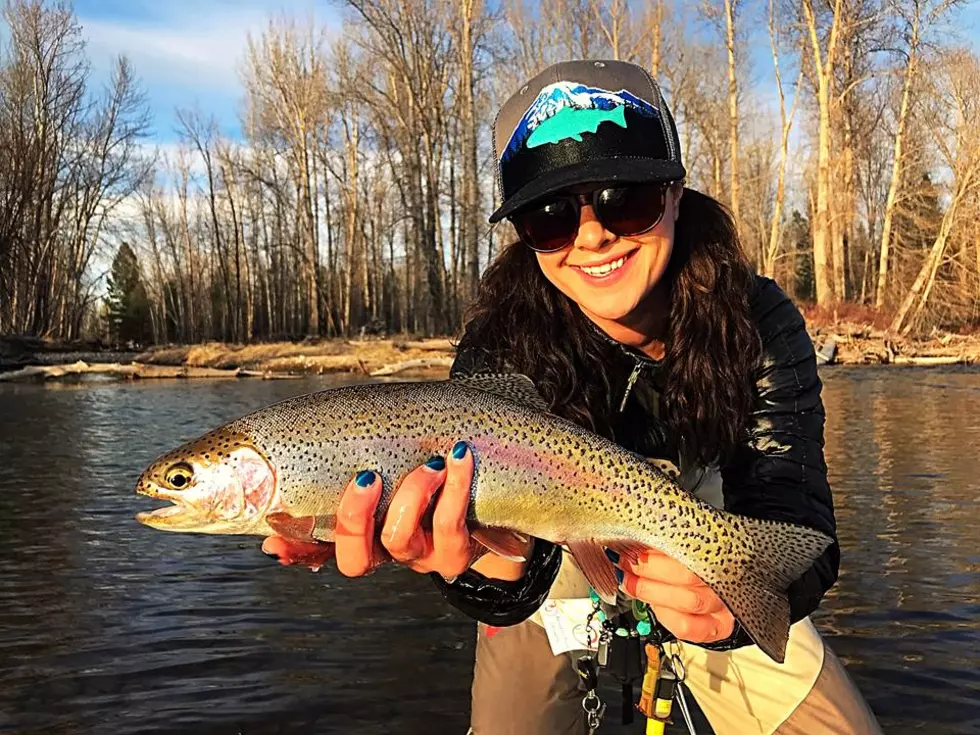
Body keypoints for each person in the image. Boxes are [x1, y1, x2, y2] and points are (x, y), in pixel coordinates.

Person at [263, 59, 881, 734]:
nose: (591, 234)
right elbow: (498, 572)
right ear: (524, 235)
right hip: (546, 540)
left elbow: (793, 516)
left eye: (626, 198)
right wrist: (486, 569)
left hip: (695, 537)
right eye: (550, 216)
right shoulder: (501, 340)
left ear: (675, 193)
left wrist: (741, 606)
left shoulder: (756, 318)